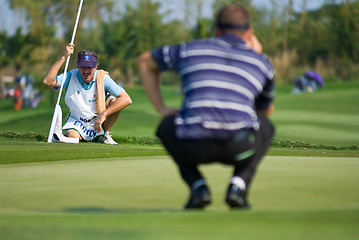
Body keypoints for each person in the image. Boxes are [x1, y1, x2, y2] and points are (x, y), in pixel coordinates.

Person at [138, 4, 275, 209]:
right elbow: (265, 111)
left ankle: (198, 186)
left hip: (193, 147)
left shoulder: (189, 49)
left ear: (217, 30)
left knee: (166, 124)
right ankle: (239, 186)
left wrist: (162, 108)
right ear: (249, 33)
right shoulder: (261, 62)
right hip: (239, 149)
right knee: (267, 126)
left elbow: (145, 61)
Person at [43, 43, 132, 145]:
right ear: (78, 66)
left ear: (95, 67)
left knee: (114, 101)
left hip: (99, 120)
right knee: (73, 136)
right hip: (77, 121)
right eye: (83, 67)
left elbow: (126, 99)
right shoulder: (71, 76)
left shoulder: (102, 78)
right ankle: (80, 137)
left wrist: (103, 114)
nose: (86, 71)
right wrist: (64, 57)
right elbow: (48, 81)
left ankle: (104, 135)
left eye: (89, 67)